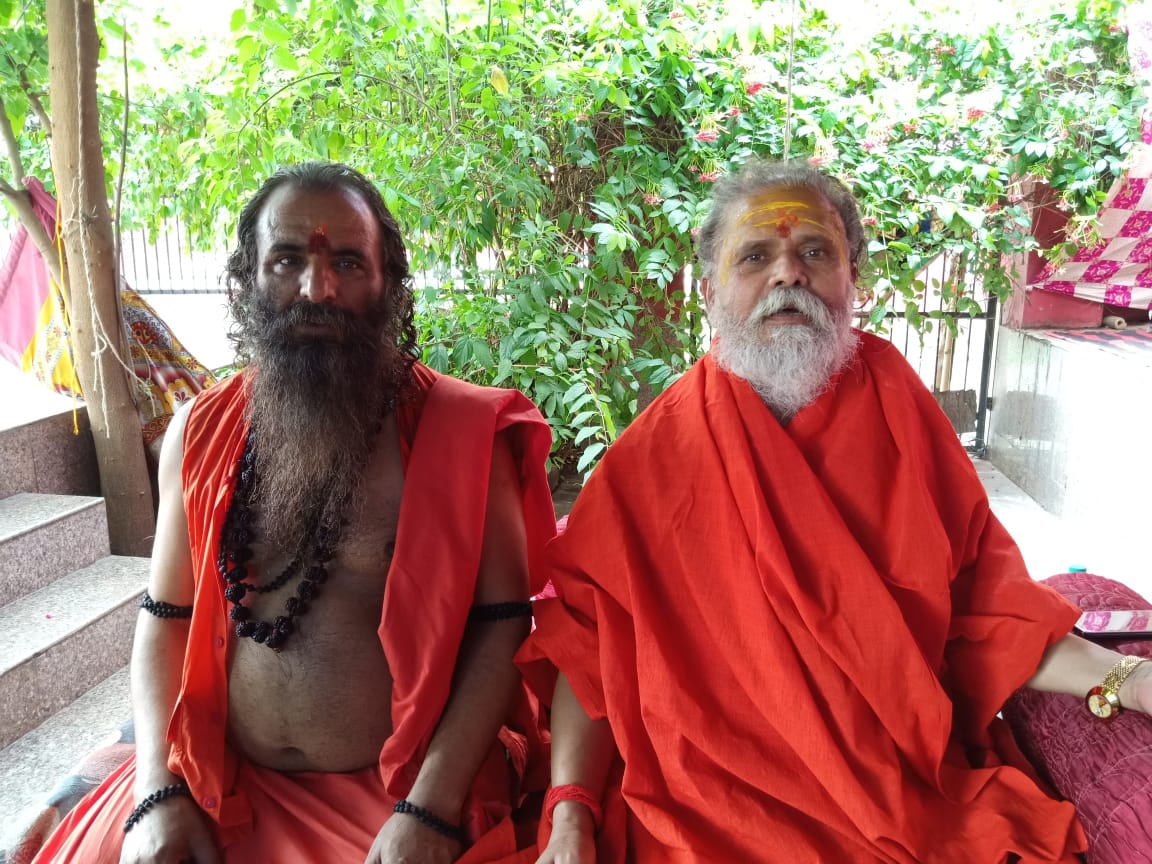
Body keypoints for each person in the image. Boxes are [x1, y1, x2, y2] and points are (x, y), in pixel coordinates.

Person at [519, 158, 1152, 863]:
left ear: (853, 280)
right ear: (710, 290)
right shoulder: (652, 458)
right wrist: (570, 814)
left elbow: (991, 612)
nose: (788, 275)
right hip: (706, 812)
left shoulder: (898, 408)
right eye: (755, 256)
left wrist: (1129, 679)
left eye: (815, 252)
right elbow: (587, 653)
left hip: (901, 800)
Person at [33, 162, 556, 864]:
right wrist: (158, 790)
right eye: (287, 260)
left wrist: (429, 811)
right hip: (213, 775)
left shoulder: (466, 433)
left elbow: (503, 625)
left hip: (403, 787)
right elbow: (165, 618)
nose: (318, 289)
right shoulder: (198, 432)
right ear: (248, 279)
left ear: (390, 283)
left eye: (348, 262)